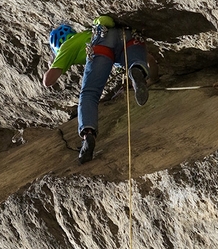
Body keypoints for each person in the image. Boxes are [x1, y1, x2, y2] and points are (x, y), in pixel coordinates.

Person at [43, 15, 149, 164]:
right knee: (136, 61)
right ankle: (137, 69)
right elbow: (152, 61)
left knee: (89, 94)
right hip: (129, 36)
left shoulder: (67, 46)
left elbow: (48, 81)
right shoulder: (86, 33)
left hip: (103, 42)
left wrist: (51, 65)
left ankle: (88, 134)